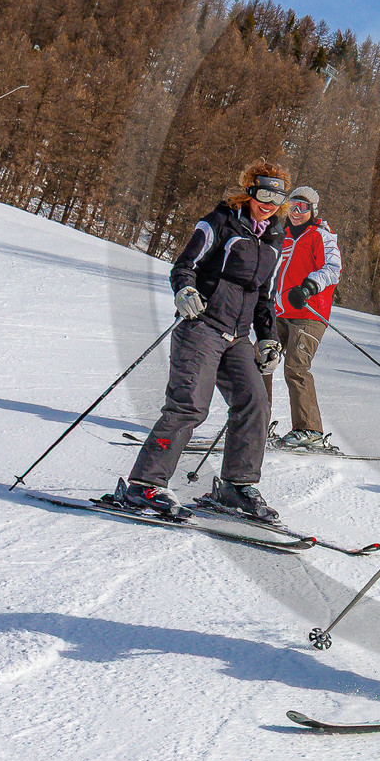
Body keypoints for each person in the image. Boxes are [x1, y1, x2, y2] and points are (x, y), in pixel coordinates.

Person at [118, 161, 288, 525]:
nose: (270, 202)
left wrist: (269, 340)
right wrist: (185, 290)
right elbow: (184, 265)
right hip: (203, 327)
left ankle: (236, 486)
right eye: (264, 193)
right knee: (189, 406)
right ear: (250, 191)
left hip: (238, 337)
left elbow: (264, 297)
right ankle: (145, 484)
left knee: (255, 402)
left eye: (278, 196)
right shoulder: (221, 222)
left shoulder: (275, 239)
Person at [264, 185, 342, 450]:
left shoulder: (321, 236)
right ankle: (254, 422)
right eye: (293, 206)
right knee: (261, 359)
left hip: (310, 313)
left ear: (313, 211)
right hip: (281, 311)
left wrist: (308, 287)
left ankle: (309, 430)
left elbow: (333, 269)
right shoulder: (281, 236)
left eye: (303, 208)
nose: (297, 212)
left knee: (296, 367)